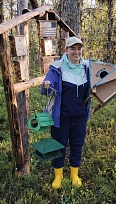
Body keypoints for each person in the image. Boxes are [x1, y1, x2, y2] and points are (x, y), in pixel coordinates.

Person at [41, 36, 91, 189]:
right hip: (60, 116)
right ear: (66, 50)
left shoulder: (87, 67)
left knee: (77, 145)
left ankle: (74, 174)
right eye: (73, 48)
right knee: (58, 145)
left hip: (80, 115)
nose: (76, 52)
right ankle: (58, 175)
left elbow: (100, 83)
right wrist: (46, 85)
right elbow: (45, 89)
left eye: (79, 48)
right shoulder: (57, 68)